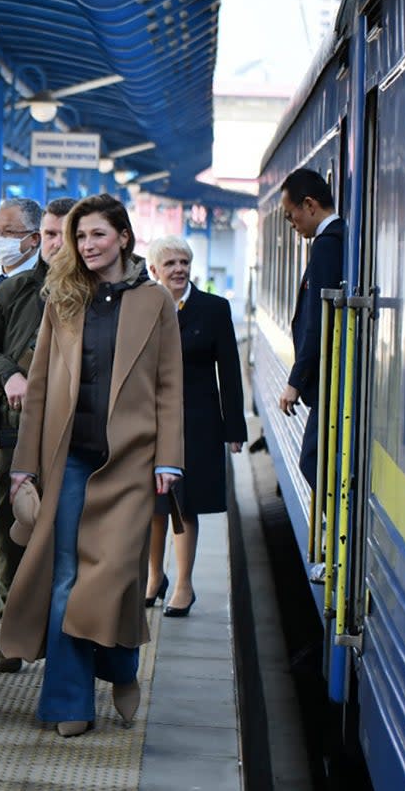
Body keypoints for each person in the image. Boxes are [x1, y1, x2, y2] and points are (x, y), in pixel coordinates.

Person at [3, 194, 183, 737]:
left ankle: (120, 665)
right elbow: (37, 387)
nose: (87, 246)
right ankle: (67, 703)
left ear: (124, 238)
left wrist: (169, 460)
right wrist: (23, 464)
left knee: (117, 579)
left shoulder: (156, 302)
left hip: (131, 461)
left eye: (97, 235)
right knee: (67, 580)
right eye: (80, 238)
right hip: (69, 460)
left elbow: (170, 386)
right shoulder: (63, 298)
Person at [0, 195, 74, 672]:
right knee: (9, 536)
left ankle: (65, 638)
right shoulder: (14, 290)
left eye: (60, 235)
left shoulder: (111, 296)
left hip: (78, 442)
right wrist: (9, 375)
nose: (52, 244)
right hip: (13, 437)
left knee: (70, 542)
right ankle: (13, 633)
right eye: (46, 234)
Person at [145, 235, 247, 617]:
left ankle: (184, 584)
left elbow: (230, 372)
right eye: (170, 263)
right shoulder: (144, 308)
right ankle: (155, 577)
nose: (179, 269)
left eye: (184, 262)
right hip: (151, 421)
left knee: (184, 506)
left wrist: (234, 429)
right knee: (152, 506)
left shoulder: (214, 309)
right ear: (154, 270)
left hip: (198, 422)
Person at [277, 168, 344, 489]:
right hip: (330, 378)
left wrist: (295, 382)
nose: (293, 226)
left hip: (330, 380)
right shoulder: (335, 239)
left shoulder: (327, 245)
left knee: (311, 461)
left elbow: (319, 322)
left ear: (310, 205)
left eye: (292, 217)